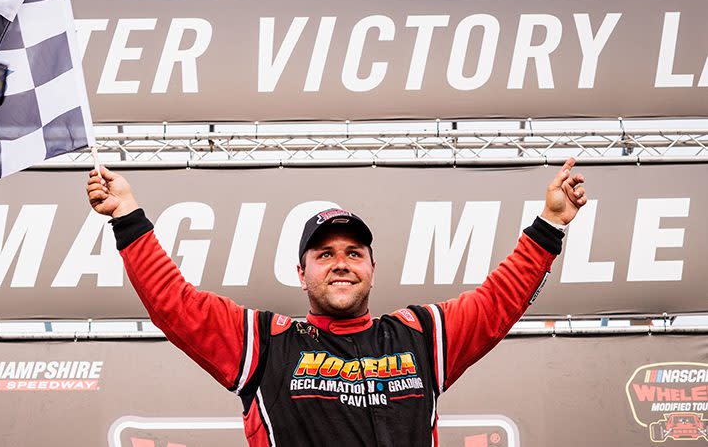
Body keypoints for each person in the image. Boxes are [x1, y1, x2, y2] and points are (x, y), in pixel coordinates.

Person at [86, 159, 587, 446]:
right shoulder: (265, 343)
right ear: (300, 274)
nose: (341, 263)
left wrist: (550, 222)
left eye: (354, 253)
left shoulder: (421, 334)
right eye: (324, 254)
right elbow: (175, 304)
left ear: (372, 268)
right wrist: (127, 215)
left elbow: (498, 301)